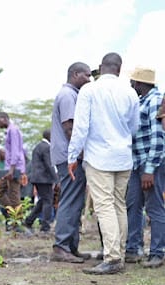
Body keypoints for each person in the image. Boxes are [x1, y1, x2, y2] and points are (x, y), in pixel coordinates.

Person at [67, 52, 139, 275]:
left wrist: (72, 156)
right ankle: (119, 252)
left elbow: (80, 127)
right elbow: (134, 127)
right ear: (119, 69)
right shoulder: (130, 92)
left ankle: (112, 257)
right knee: (118, 204)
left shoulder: (89, 90)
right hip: (123, 157)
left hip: (99, 157)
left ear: (101, 67)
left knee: (104, 205)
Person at [50, 62, 93, 263]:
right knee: (70, 200)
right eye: (86, 75)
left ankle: (71, 246)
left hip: (70, 156)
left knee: (76, 202)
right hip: (70, 157)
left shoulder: (74, 94)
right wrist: (81, 154)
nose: (90, 79)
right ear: (75, 74)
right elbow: (70, 128)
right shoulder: (68, 95)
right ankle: (61, 246)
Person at [125, 67, 164, 268]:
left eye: (133, 82)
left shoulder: (156, 100)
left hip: (151, 164)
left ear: (139, 83)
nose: (131, 85)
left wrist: (150, 169)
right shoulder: (141, 101)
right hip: (137, 162)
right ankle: (133, 248)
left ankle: (158, 253)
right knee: (133, 204)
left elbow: (159, 138)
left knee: (154, 207)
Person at [24, 129, 56, 234]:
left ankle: (29, 221)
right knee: (48, 201)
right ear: (49, 136)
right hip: (44, 179)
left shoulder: (38, 146)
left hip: (37, 178)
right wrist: (56, 178)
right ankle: (45, 226)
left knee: (43, 200)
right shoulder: (46, 147)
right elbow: (49, 164)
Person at [0, 112, 27, 211]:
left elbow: (15, 150)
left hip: (14, 168)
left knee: (14, 195)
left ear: (4, 119)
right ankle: (12, 213)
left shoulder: (13, 130)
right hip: (10, 167)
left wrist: (12, 169)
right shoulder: (10, 131)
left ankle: (16, 220)